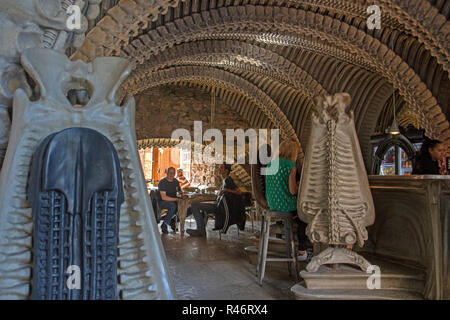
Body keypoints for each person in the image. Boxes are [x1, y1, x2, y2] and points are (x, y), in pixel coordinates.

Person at [265, 139, 310, 261]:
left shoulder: (271, 164)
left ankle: (284, 228)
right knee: (305, 216)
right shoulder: (291, 166)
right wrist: (299, 184)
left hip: (272, 203)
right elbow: (292, 191)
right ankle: (302, 251)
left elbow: (276, 184)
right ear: (293, 153)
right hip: (285, 205)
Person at [186, 164, 242, 237]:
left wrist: (225, 190)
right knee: (198, 205)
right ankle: (200, 230)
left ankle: (200, 231)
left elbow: (239, 192)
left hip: (220, 208)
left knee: (194, 205)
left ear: (226, 171)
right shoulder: (225, 180)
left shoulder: (228, 180)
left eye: (221, 168)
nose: (219, 169)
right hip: (218, 205)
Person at [158, 167, 180, 234]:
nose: (171, 174)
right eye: (170, 172)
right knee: (173, 206)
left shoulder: (176, 181)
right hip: (163, 202)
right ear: (167, 173)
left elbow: (179, 191)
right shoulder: (163, 182)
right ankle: (164, 224)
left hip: (173, 200)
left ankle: (172, 220)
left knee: (186, 207)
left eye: (173, 173)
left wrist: (183, 194)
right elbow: (164, 197)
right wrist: (176, 199)